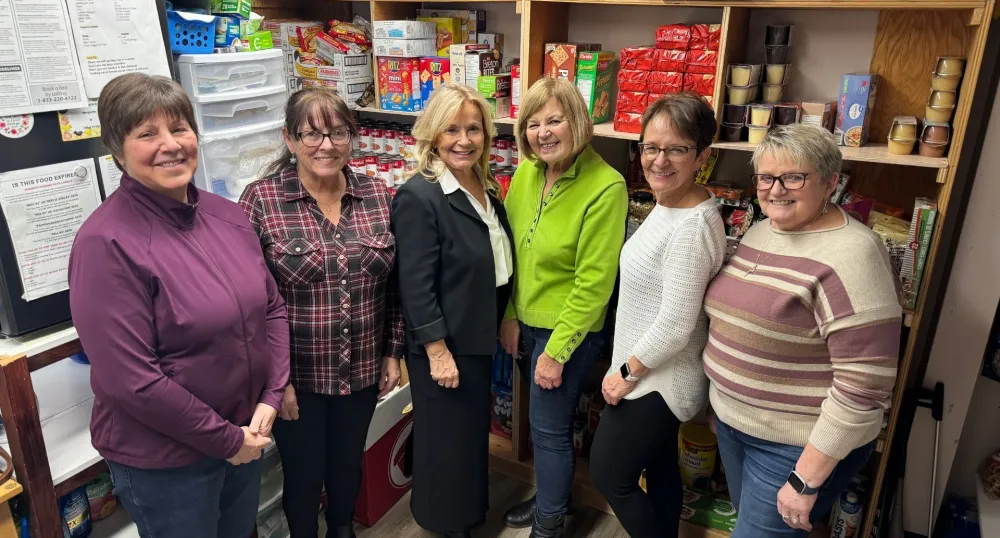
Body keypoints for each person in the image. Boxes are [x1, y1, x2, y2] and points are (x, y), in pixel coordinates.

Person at [68, 73, 289, 538]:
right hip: (167, 464)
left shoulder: (225, 214)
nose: (170, 145)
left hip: (244, 437)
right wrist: (227, 440)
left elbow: (271, 309)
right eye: (147, 134)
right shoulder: (105, 243)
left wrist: (270, 396)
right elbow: (132, 379)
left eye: (179, 128)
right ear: (118, 149)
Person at [703, 123, 902, 537]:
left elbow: (864, 386)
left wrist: (806, 477)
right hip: (736, 427)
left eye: (794, 177)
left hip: (794, 447)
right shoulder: (762, 229)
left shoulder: (854, 254)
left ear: (830, 182)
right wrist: (723, 406)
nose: (776, 189)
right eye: (765, 177)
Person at [239, 88, 405, 538]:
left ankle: (342, 530)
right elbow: (249, 305)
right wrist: (278, 383)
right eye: (311, 134)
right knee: (305, 475)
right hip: (299, 379)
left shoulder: (378, 195)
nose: (326, 145)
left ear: (353, 136)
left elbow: (394, 287)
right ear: (289, 140)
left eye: (337, 132)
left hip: (363, 369)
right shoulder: (261, 201)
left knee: (348, 464)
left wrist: (393, 352)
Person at [589, 93, 727, 538]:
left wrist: (625, 372)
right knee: (661, 468)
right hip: (653, 374)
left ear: (701, 156)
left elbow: (676, 323)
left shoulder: (693, 226)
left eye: (676, 149)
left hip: (659, 381)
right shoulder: (669, 204)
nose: (659, 160)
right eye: (651, 147)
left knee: (611, 475)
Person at [500, 77, 628, 538]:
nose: (543, 132)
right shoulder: (527, 173)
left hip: (568, 332)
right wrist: (510, 314)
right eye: (533, 124)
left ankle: (551, 521)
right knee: (541, 425)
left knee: (550, 429)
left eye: (554, 120)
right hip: (526, 323)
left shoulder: (606, 186)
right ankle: (551, 500)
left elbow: (594, 284)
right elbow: (511, 252)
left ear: (576, 120)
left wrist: (555, 351)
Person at [391, 83, 514, 538]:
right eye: (452, 129)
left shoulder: (485, 184)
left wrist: (506, 317)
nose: (464, 140)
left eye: (474, 129)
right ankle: (445, 523)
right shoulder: (420, 197)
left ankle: (468, 510)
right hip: (444, 346)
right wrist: (438, 351)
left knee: (466, 436)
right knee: (445, 442)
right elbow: (415, 287)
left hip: (477, 334)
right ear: (432, 135)